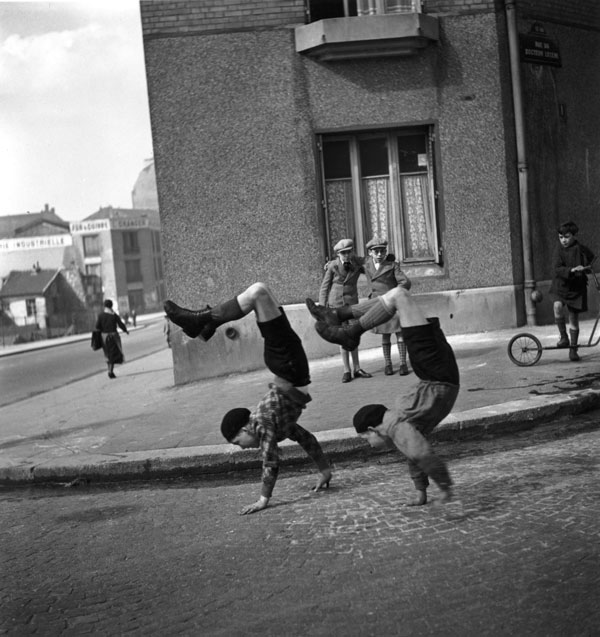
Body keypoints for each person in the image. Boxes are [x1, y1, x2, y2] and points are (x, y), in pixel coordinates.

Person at [163, 283, 332, 515]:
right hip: (290, 365)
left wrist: (263, 499)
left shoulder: (263, 423)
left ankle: (204, 321)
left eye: (237, 442)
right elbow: (306, 438)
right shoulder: (277, 423)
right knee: (260, 293)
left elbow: (270, 462)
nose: (241, 448)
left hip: (288, 365)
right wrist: (324, 470)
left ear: (245, 428)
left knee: (258, 293)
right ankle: (206, 324)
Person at [306, 286, 459, 505]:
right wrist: (421, 491)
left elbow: (420, 453)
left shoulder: (396, 426)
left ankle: (348, 330)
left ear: (372, 429)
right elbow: (414, 453)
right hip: (436, 371)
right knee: (399, 298)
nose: (368, 444)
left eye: (365, 438)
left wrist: (442, 486)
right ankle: (341, 319)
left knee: (398, 298)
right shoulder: (399, 425)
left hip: (437, 371)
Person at [318, 238, 372, 383]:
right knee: (342, 338)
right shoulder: (333, 266)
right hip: (336, 305)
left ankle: (357, 368)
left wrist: (389, 261)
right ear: (338, 254)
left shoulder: (356, 263)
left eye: (349, 252)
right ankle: (346, 370)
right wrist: (322, 308)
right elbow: (324, 287)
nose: (347, 256)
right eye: (343, 253)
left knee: (354, 335)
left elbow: (370, 261)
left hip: (352, 305)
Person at [364, 236, 411, 376]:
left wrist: (395, 294)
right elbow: (351, 261)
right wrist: (331, 263)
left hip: (392, 303)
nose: (379, 255)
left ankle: (403, 363)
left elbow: (405, 282)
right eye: (376, 251)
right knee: (385, 335)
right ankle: (388, 364)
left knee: (399, 333)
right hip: (379, 304)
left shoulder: (392, 265)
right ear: (370, 253)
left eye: (382, 251)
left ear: (386, 252)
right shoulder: (367, 265)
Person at [549, 221, 595, 362]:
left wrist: (585, 267)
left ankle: (573, 349)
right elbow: (556, 268)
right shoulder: (558, 249)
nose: (563, 240)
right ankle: (564, 337)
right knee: (557, 306)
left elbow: (592, 260)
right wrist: (572, 270)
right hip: (561, 286)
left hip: (576, 288)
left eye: (567, 237)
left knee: (573, 318)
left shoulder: (580, 248)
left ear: (574, 236)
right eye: (561, 237)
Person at [95, 299, 129, 379]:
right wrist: (125, 330)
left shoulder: (100, 315)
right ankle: (110, 371)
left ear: (104, 306)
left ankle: (110, 371)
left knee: (108, 354)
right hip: (113, 337)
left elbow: (97, 327)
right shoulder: (114, 315)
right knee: (113, 354)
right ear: (111, 306)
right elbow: (120, 324)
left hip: (104, 337)